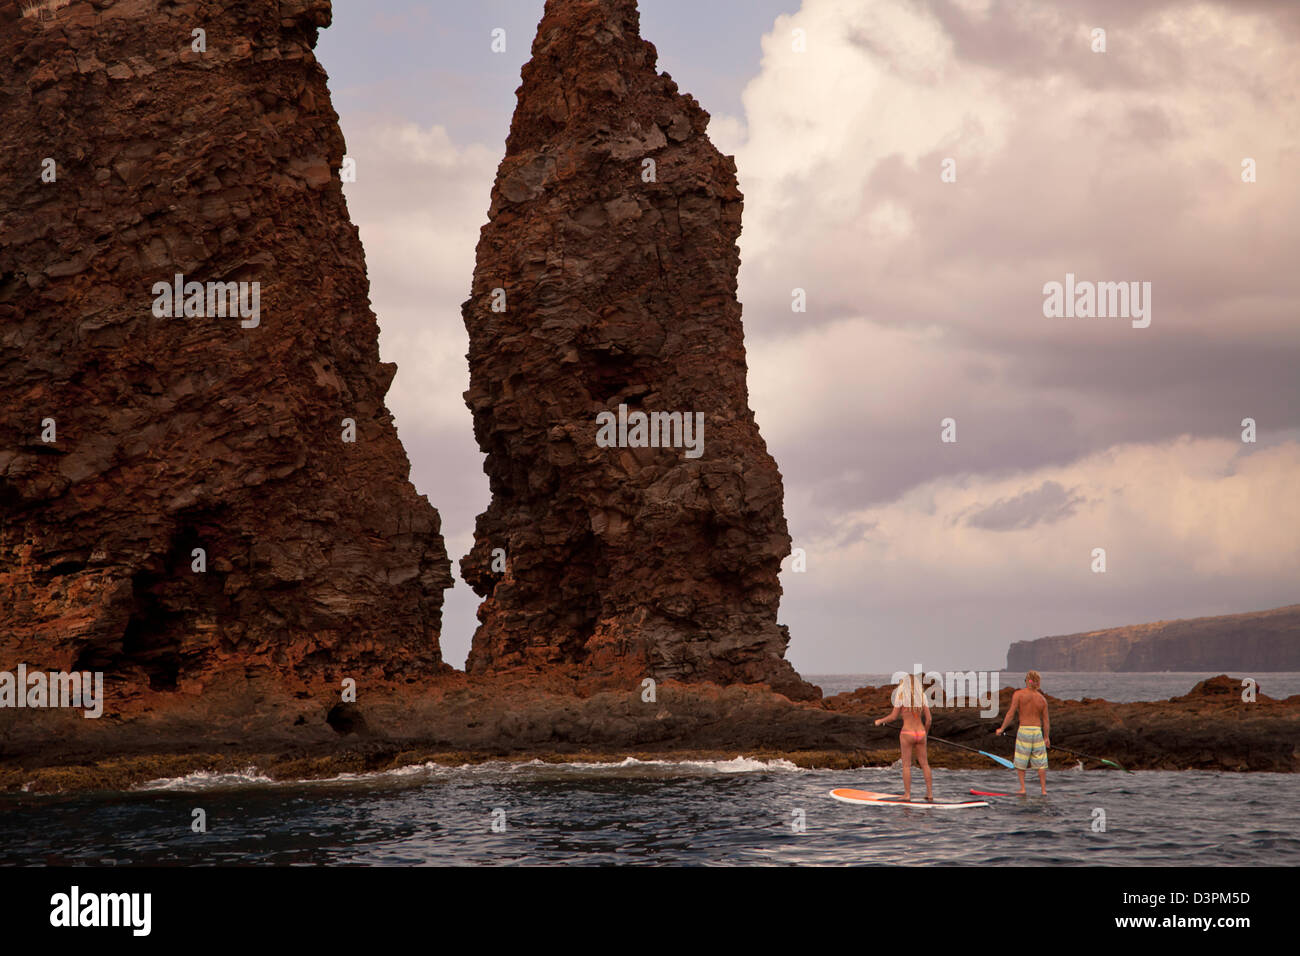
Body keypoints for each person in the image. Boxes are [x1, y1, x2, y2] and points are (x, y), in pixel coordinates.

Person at [874, 674, 933, 802]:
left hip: (907, 733)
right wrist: (925, 734)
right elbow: (929, 720)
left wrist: (880, 721)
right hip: (921, 733)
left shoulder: (901, 696)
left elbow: (893, 717)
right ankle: (930, 793)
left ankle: (907, 794)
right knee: (925, 764)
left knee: (906, 765)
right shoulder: (922, 697)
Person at [995, 670, 1050, 795]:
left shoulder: (1019, 694)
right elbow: (1046, 722)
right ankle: (1043, 790)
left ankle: (1023, 788)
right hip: (1037, 732)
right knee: (1041, 762)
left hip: (1024, 730)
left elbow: (1010, 713)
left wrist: (1001, 729)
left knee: (1021, 761)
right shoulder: (1042, 699)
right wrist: (1046, 737)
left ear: (1027, 681)